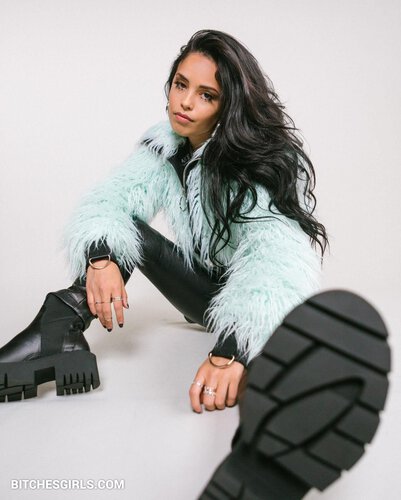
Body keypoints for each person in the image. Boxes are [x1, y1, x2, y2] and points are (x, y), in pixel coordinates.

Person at [0, 30, 391, 497]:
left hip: (252, 304)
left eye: (207, 95)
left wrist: (232, 349)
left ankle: (261, 441)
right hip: (202, 294)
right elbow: (111, 201)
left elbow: (274, 262)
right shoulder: (164, 147)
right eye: (180, 84)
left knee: (266, 354)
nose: (184, 102)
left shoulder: (254, 162)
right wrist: (101, 257)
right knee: (121, 230)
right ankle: (59, 328)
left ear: (229, 105)